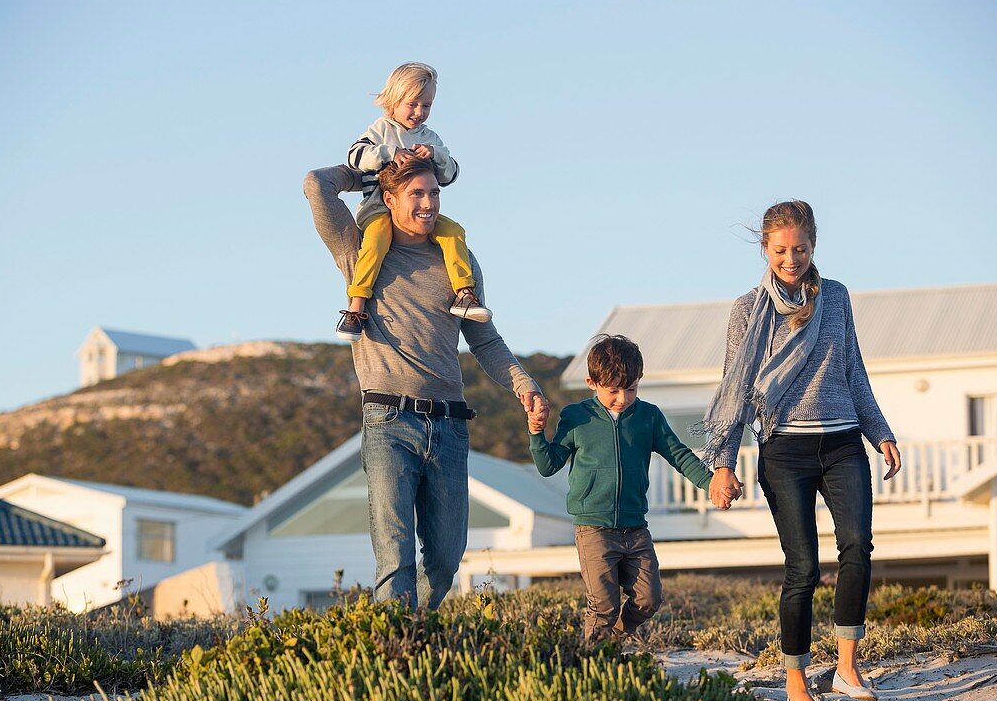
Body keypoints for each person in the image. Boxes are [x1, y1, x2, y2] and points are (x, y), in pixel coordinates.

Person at [304, 156, 546, 610]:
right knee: (395, 559)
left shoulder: (458, 261)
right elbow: (316, 185)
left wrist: (523, 384)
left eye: (434, 193)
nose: (429, 203)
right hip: (387, 420)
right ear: (390, 200)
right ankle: (396, 654)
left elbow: (484, 339)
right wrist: (364, 175)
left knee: (445, 560)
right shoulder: (358, 251)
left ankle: (420, 630)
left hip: (450, 425)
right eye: (417, 193)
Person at [700, 200, 902, 701]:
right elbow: (736, 385)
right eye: (782, 250)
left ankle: (847, 670)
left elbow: (853, 368)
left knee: (858, 547)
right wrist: (723, 462)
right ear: (766, 249)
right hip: (783, 450)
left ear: (814, 246)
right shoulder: (748, 310)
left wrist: (879, 431)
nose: (792, 259)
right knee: (803, 568)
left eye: (802, 249)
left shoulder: (835, 297)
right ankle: (796, 680)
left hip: (842, 441)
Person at [528, 335, 716, 642]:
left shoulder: (648, 417)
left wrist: (710, 483)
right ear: (592, 382)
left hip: (635, 528)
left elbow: (679, 454)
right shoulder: (577, 417)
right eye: (613, 390)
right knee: (603, 606)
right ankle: (594, 666)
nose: (623, 398)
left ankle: (613, 639)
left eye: (631, 389)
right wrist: (536, 433)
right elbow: (549, 465)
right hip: (594, 530)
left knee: (649, 599)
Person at [335, 62, 490, 342]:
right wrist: (389, 153)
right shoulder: (380, 130)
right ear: (393, 101)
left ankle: (465, 294)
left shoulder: (430, 138)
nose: (420, 113)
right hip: (379, 209)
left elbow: (450, 174)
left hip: (419, 215)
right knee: (375, 242)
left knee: (454, 231)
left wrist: (435, 154)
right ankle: (356, 304)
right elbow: (354, 156)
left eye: (427, 106)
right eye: (413, 104)